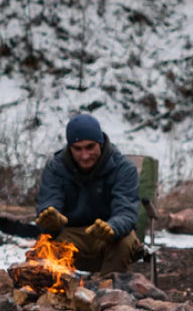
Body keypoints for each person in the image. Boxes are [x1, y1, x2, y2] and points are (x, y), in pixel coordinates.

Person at [34, 114, 143, 276]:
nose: (84, 155)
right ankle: (57, 293)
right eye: (78, 149)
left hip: (108, 236)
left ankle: (112, 292)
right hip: (71, 235)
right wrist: (51, 220)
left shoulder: (124, 168)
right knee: (46, 245)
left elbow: (126, 211)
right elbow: (48, 202)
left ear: (100, 143)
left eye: (90, 147)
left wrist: (113, 227)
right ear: (70, 147)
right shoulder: (55, 168)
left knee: (124, 241)